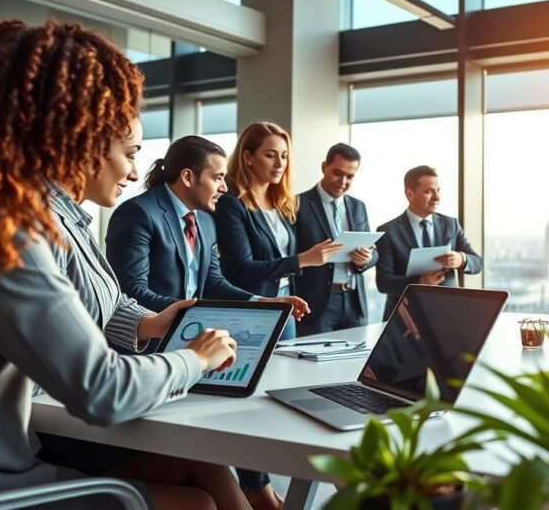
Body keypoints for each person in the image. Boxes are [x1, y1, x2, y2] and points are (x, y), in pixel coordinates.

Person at [0, 19, 237, 508]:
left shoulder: (2, 207)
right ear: (79, 133)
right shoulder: (0, 223)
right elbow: (103, 390)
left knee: (204, 465)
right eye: (130, 153)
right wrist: (195, 359)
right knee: (198, 504)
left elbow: (109, 301)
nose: (137, 171)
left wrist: (154, 321)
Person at [106, 134, 306, 510]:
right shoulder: (138, 213)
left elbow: (214, 282)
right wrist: (200, 314)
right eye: (217, 178)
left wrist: (263, 301)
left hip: (193, 350)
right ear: (187, 177)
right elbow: (131, 293)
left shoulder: (206, 222)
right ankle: (259, 492)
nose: (224, 187)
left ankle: (257, 490)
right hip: (146, 355)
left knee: (238, 413)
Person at [214, 122, 342, 340]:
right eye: (270, 155)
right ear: (248, 157)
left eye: (284, 156)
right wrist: (302, 259)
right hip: (253, 307)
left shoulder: (282, 204)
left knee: (287, 370)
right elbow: (242, 268)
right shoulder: (231, 203)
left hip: (286, 302)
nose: (279, 163)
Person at [375, 165, 482, 321]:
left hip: (448, 315)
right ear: (410, 194)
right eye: (429, 191)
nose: (437, 198)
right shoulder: (388, 231)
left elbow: (477, 263)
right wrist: (419, 282)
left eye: (438, 191)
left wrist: (461, 259)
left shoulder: (450, 224)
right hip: (405, 318)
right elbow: (383, 282)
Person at [294, 143, 378, 335]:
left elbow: (374, 253)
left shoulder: (358, 207)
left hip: (354, 301)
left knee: (356, 362)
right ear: (324, 167)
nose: (343, 181)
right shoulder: (297, 204)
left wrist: (365, 259)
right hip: (316, 302)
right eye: (337, 173)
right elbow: (290, 254)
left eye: (350, 176)